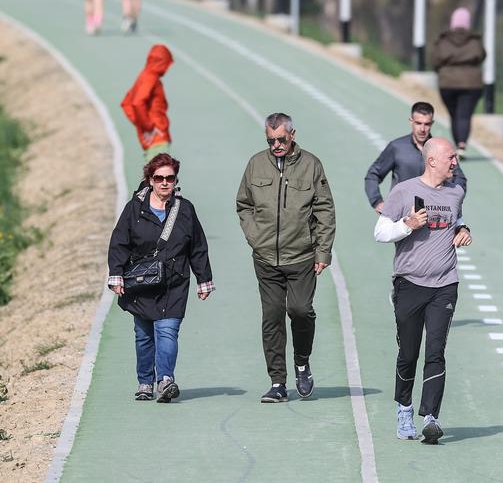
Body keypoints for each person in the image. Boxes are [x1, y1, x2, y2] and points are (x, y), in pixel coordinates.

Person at [374, 136, 472, 445]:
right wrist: (407, 225)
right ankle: (404, 408)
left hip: (445, 284)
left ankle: (431, 417)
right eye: (450, 158)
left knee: (436, 351)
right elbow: (380, 232)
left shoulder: (456, 192)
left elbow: (458, 219)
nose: (455, 163)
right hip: (409, 284)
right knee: (408, 353)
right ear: (432, 161)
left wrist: (464, 230)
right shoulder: (404, 191)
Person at [235, 113, 336, 403]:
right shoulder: (256, 164)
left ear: (292, 134)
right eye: (270, 140)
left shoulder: (311, 165)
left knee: (301, 310)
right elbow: (243, 204)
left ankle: (302, 363)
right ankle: (277, 382)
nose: (276, 145)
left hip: (302, 256)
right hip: (266, 257)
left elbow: (325, 210)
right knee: (272, 316)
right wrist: (254, 236)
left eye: (281, 139)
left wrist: (323, 250)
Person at [107, 153, 214, 403]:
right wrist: (116, 275)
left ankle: (165, 380)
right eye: (159, 178)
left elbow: (197, 245)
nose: (165, 183)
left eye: (170, 178)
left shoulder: (185, 209)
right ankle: (145, 381)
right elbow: (119, 242)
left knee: (167, 331)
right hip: (142, 284)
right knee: (144, 335)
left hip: (174, 283)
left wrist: (204, 279)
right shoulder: (134, 209)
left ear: (176, 180)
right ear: (150, 180)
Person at [364, 101, 466, 213]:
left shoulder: (441, 149)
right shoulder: (397, 147)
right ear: (411, 121)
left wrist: (453, 198)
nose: (422, 129)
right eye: (418, 123)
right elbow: (373, 174)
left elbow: (459, 177)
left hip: (435, 213)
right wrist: (377, 201)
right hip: (401, 214)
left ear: (432, 123)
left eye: (427, 124)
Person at [433, 7, 486, 156]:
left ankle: (458, 143)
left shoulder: (443, 40)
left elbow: (435, 60)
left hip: (447, 83)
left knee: (454, 114)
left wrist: (443, 72)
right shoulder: (475, 41)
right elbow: (482, 56)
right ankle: (461, 145)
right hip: (472, 83)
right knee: (464, 115)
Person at [121, 44, 173, 160]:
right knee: (162, 176)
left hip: (152, 140)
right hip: (158, 139)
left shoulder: (144, 76)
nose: (167, 69)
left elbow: (127, 103)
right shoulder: (151, 78)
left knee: (153, 176)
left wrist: (142, 127)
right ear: (161, 62)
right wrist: (148, 127)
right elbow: (136, 103)